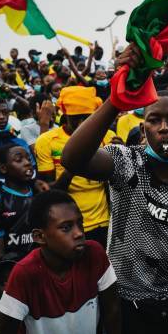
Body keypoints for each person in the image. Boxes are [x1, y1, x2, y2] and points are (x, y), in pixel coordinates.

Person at [62, 44, 168, 334]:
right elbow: (73, 158)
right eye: (154, 120)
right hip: (125, 302)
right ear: (143, 126)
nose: (164, 128)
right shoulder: (126, 162)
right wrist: (114, 100)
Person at [0, 190, 121, 334]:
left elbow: (112, 309)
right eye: (66, 228)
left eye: (80, 224)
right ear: (40, 236)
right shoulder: (25, 273)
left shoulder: (94, 253)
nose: (79, 233)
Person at [35, 86, 114, 247]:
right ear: (64, 115)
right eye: (76, 118)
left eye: (87, 117)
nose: (81, 123)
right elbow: (51, 191)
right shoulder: (47, 141)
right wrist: (76, 161)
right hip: (71, 226)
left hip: (106, 221)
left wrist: (118, 156)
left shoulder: (108, 136)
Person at [0, 144, 35, 263]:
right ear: (3, 168)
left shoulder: (39, 192)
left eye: (28, 158)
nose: (27, 163)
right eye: (19, 160)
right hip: (16, 267)